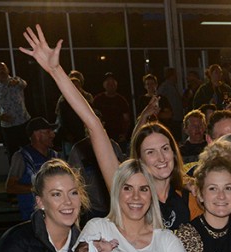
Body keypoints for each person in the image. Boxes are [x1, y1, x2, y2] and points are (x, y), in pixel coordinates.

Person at [21, 26, 186, 231]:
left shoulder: (190, 192)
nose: (161, 158)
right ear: (139, 160)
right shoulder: (127, 192)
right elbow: (94, 125)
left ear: (174, 151)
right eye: (150, 152)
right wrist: (55, 71)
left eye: (165, 148)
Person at [6, 117, 58, 220]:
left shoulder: (55, 155)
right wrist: (37, 188)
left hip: (54, 216)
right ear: (37, 134)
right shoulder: (22, 156)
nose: (53, 135)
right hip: (32, 218)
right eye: (48, 132)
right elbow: (10, 187)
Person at [0, 62, 31, 159]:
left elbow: (24, 84)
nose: (1, 71)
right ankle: (15, 173)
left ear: (8, 70)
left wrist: (16, 82)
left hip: (23, 122)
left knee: (29, 152)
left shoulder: (17, 80)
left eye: (3, 68)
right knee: (12, 154)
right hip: (8, 126)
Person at [92, 72, 132, 145]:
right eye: (108, 83)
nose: (111, 85)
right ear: (104, 85)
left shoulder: (121, 100)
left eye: (112, 83)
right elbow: (93, 116)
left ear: (116, 85)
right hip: (102, 136)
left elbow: (127, 119)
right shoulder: (98, 100)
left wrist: (124, 134)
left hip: (118, 137)